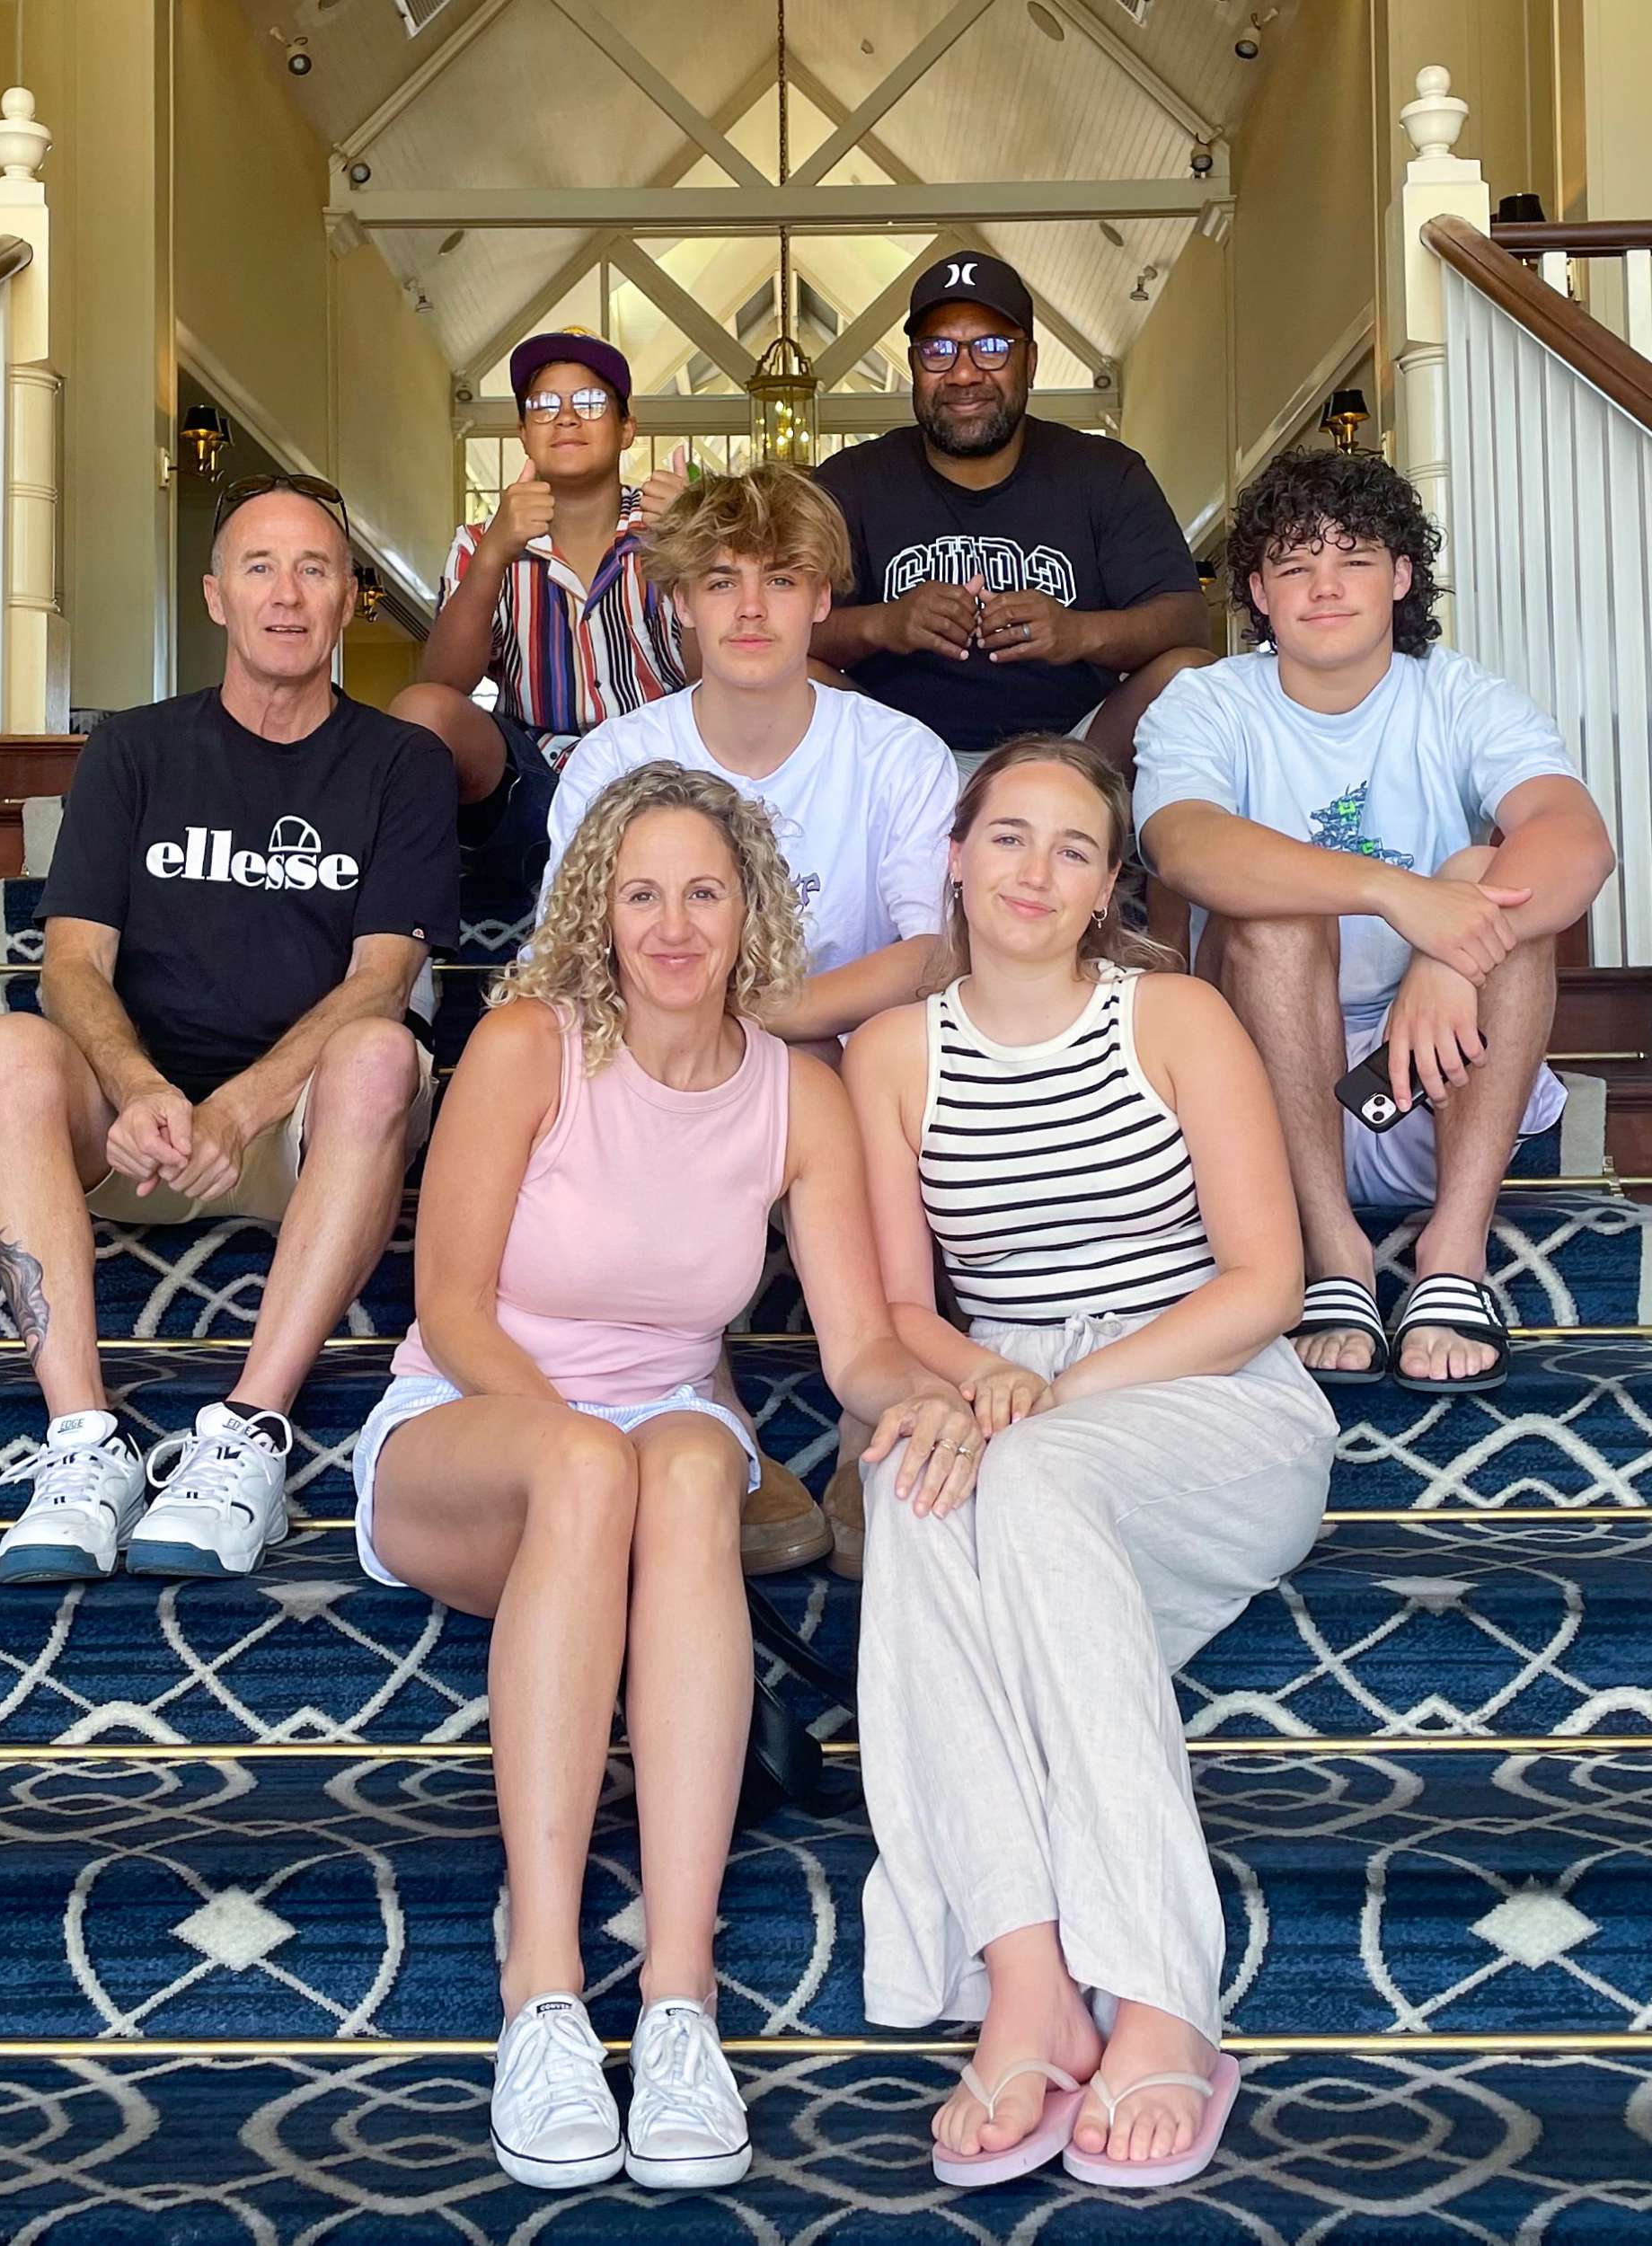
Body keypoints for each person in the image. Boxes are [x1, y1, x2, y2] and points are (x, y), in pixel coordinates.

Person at [350, 761, 979, 2193]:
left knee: (690, 1464)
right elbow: (449, 1303)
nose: (676, 925)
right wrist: (593, 1457)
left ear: (752, 906)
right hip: (471, 1424)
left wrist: (949, 1400)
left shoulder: (795, 1097)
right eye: (644, 894)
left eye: (705, 891)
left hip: (663, 1443)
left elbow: (860, 1346)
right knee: (601, 1464)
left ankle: (683, 1998)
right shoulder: (530, 1045)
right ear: (601, 909)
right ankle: (549, 1994)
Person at [843, 736, 1336, 2190]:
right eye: (1009, 839)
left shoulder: (1173, 1017)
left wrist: (1052, 1396)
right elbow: (902, 1311)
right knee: (912, 1491)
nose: (1035, 872)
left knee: (1022, 1479)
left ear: (1106, 884)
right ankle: (1029, 1982)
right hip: (1000, 1387)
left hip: (1207, 1394)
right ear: (956, 854)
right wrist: (985, 1387)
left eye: (1073, 850)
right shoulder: (891, 1055)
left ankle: (1167, 1998)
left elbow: (1261, 1280)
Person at [0, 475, 458, 1586]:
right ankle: (85, 1443)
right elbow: (72, 961)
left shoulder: (401, 766)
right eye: (259, 568)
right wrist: (140, 1086)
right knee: (3, 1048)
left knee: (383, 1052)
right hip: (139, 1129)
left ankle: (247, 1432)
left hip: (303, 1138)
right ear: (216, 598)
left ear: (349, 604)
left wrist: (246, 1102)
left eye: (316, 570)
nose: (287, 595)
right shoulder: (134, 753)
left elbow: (384, 978)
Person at [544, 464, 959, 1574]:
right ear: (677, 601)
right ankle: (705, 1407)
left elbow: (929, 953)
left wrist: (776, 1019)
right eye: (719, 581)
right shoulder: (617, 759)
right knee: (631, 1057)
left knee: (874, 1049)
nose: (750, 609)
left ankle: (871, 1424)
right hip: (667, 1055)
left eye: (783, 579)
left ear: (825, 597)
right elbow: (571, 963)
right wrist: (724, 1035)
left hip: (845, 1056)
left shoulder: (896, 752)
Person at [1134, 450, 1615, 1393]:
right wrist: (1399, 894)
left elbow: (1575, 839)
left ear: (1400, 577)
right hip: (1267, 1111)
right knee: (1283, 912)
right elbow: (1182, 843)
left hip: (1439, 1086)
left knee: (1495, 884)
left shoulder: (1457, 693)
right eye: (1292, 563)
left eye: (1352, 557)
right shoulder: (1210, 702)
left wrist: (1449, 949)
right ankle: (1336, 1259)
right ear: (1259, 595)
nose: (1323, 586)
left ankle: (1451, 1256)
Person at [810, 252, 1212, 771]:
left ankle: (1103, 821)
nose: (963, 373)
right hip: (893, 758)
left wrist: (1077, 634)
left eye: (992, 348)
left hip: (1073, 755)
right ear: (913, 364)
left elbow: (1187, 625)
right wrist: (885, 624)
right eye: (938, 349)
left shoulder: (1104, 473)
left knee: (1187, 673)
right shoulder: (850, 480)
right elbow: (786, 627)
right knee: (784, 673)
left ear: (1031, 361)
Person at [393, 332, 689, 906]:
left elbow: (716, 675)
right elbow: (446, 683)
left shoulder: (672, 527)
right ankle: (411, 927)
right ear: (524, 432)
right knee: (419, 711)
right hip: (531, 778)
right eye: (545, 406)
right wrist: (495, 555)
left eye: (592, 403)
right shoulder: (482, 540)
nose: (568, 418)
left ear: (628, 428)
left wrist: (692, 553)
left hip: (666, 769)